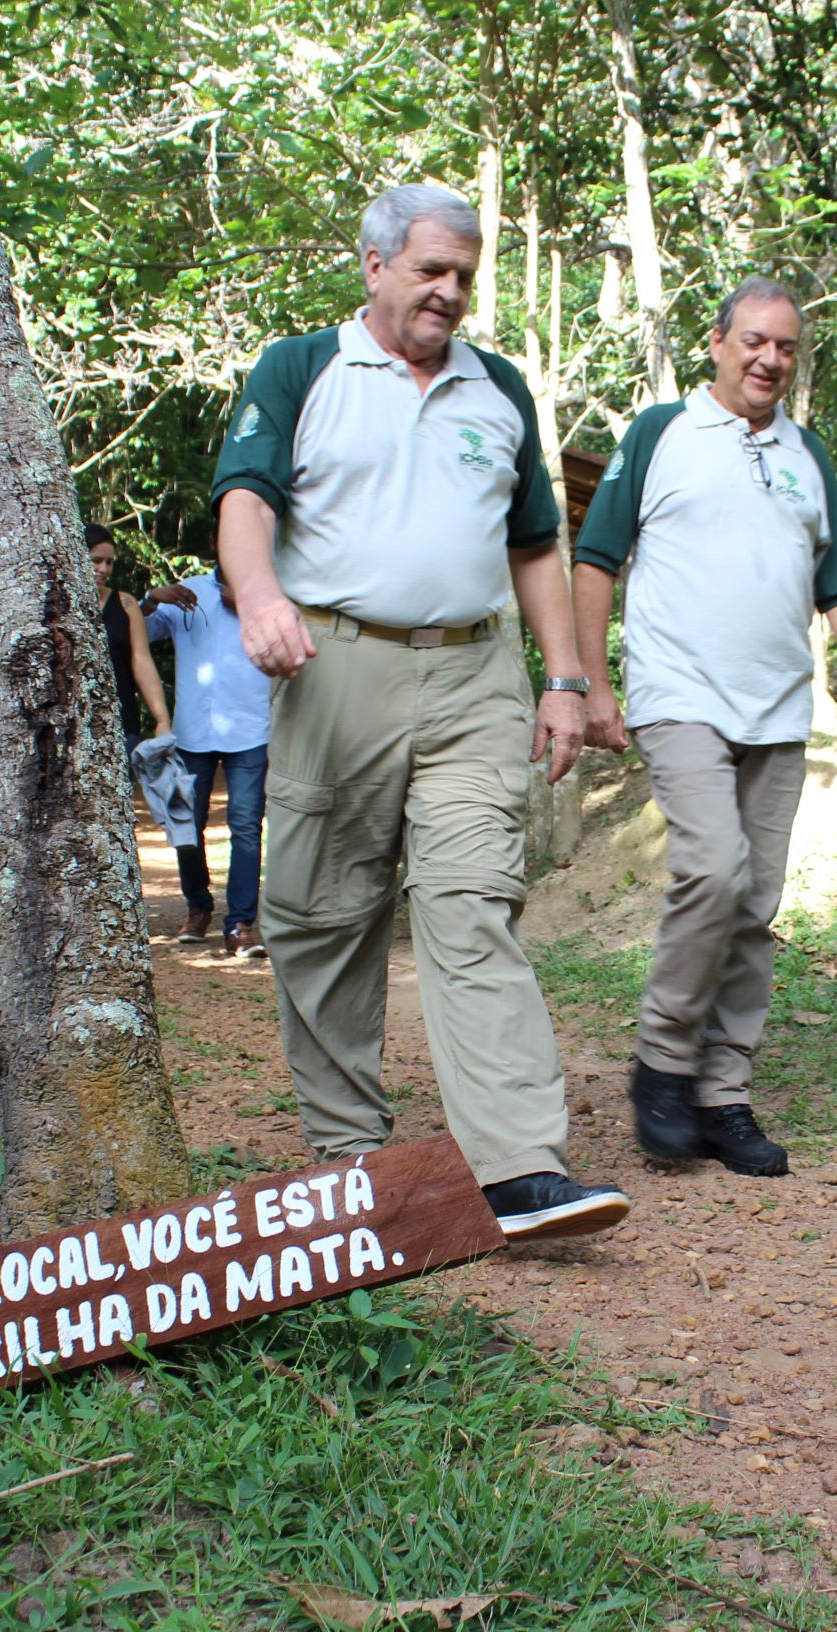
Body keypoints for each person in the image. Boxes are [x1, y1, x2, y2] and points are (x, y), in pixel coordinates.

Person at [211, 183, 630, 1241]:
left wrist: (566, 679)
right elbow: (245, 499)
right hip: (334, 666)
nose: (448, 294)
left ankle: (518, 1167)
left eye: (463, 277)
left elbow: (535, 543)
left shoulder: (498, 389)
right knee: (323, 914)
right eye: (430, 271)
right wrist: (258, 597)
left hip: (474, 676)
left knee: (471, 902)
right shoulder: (301, 368)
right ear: (374, 265)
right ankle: (349, 1163)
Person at [572, 276, 837, 1178]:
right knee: (712, 870)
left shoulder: (805, 454)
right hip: (679, 693)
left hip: (778, 702)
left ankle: (722, 1092)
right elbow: (595, 561)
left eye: (786, 347)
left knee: (755, 902)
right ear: (715, 343)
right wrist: (591, 683)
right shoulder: (659, 433)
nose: (769, 359)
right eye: (753, 341)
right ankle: (663, 1066)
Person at [143, 545, 272, 959]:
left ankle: (239, 924)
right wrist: (151, 599)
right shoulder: (187, 593)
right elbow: (138, 635)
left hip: (251, 728)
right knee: (186, 824)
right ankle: (198, 906)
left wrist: (253, 603)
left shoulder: (273, 592)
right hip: (193, 731)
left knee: (246, 828)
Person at [87, 523, 171, 753]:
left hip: (122, 724)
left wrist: (162, 720)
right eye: (96, 560)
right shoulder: (58, 604)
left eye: (109, 562)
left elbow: (142, 661)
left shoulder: (126, 604)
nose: (103, 569)